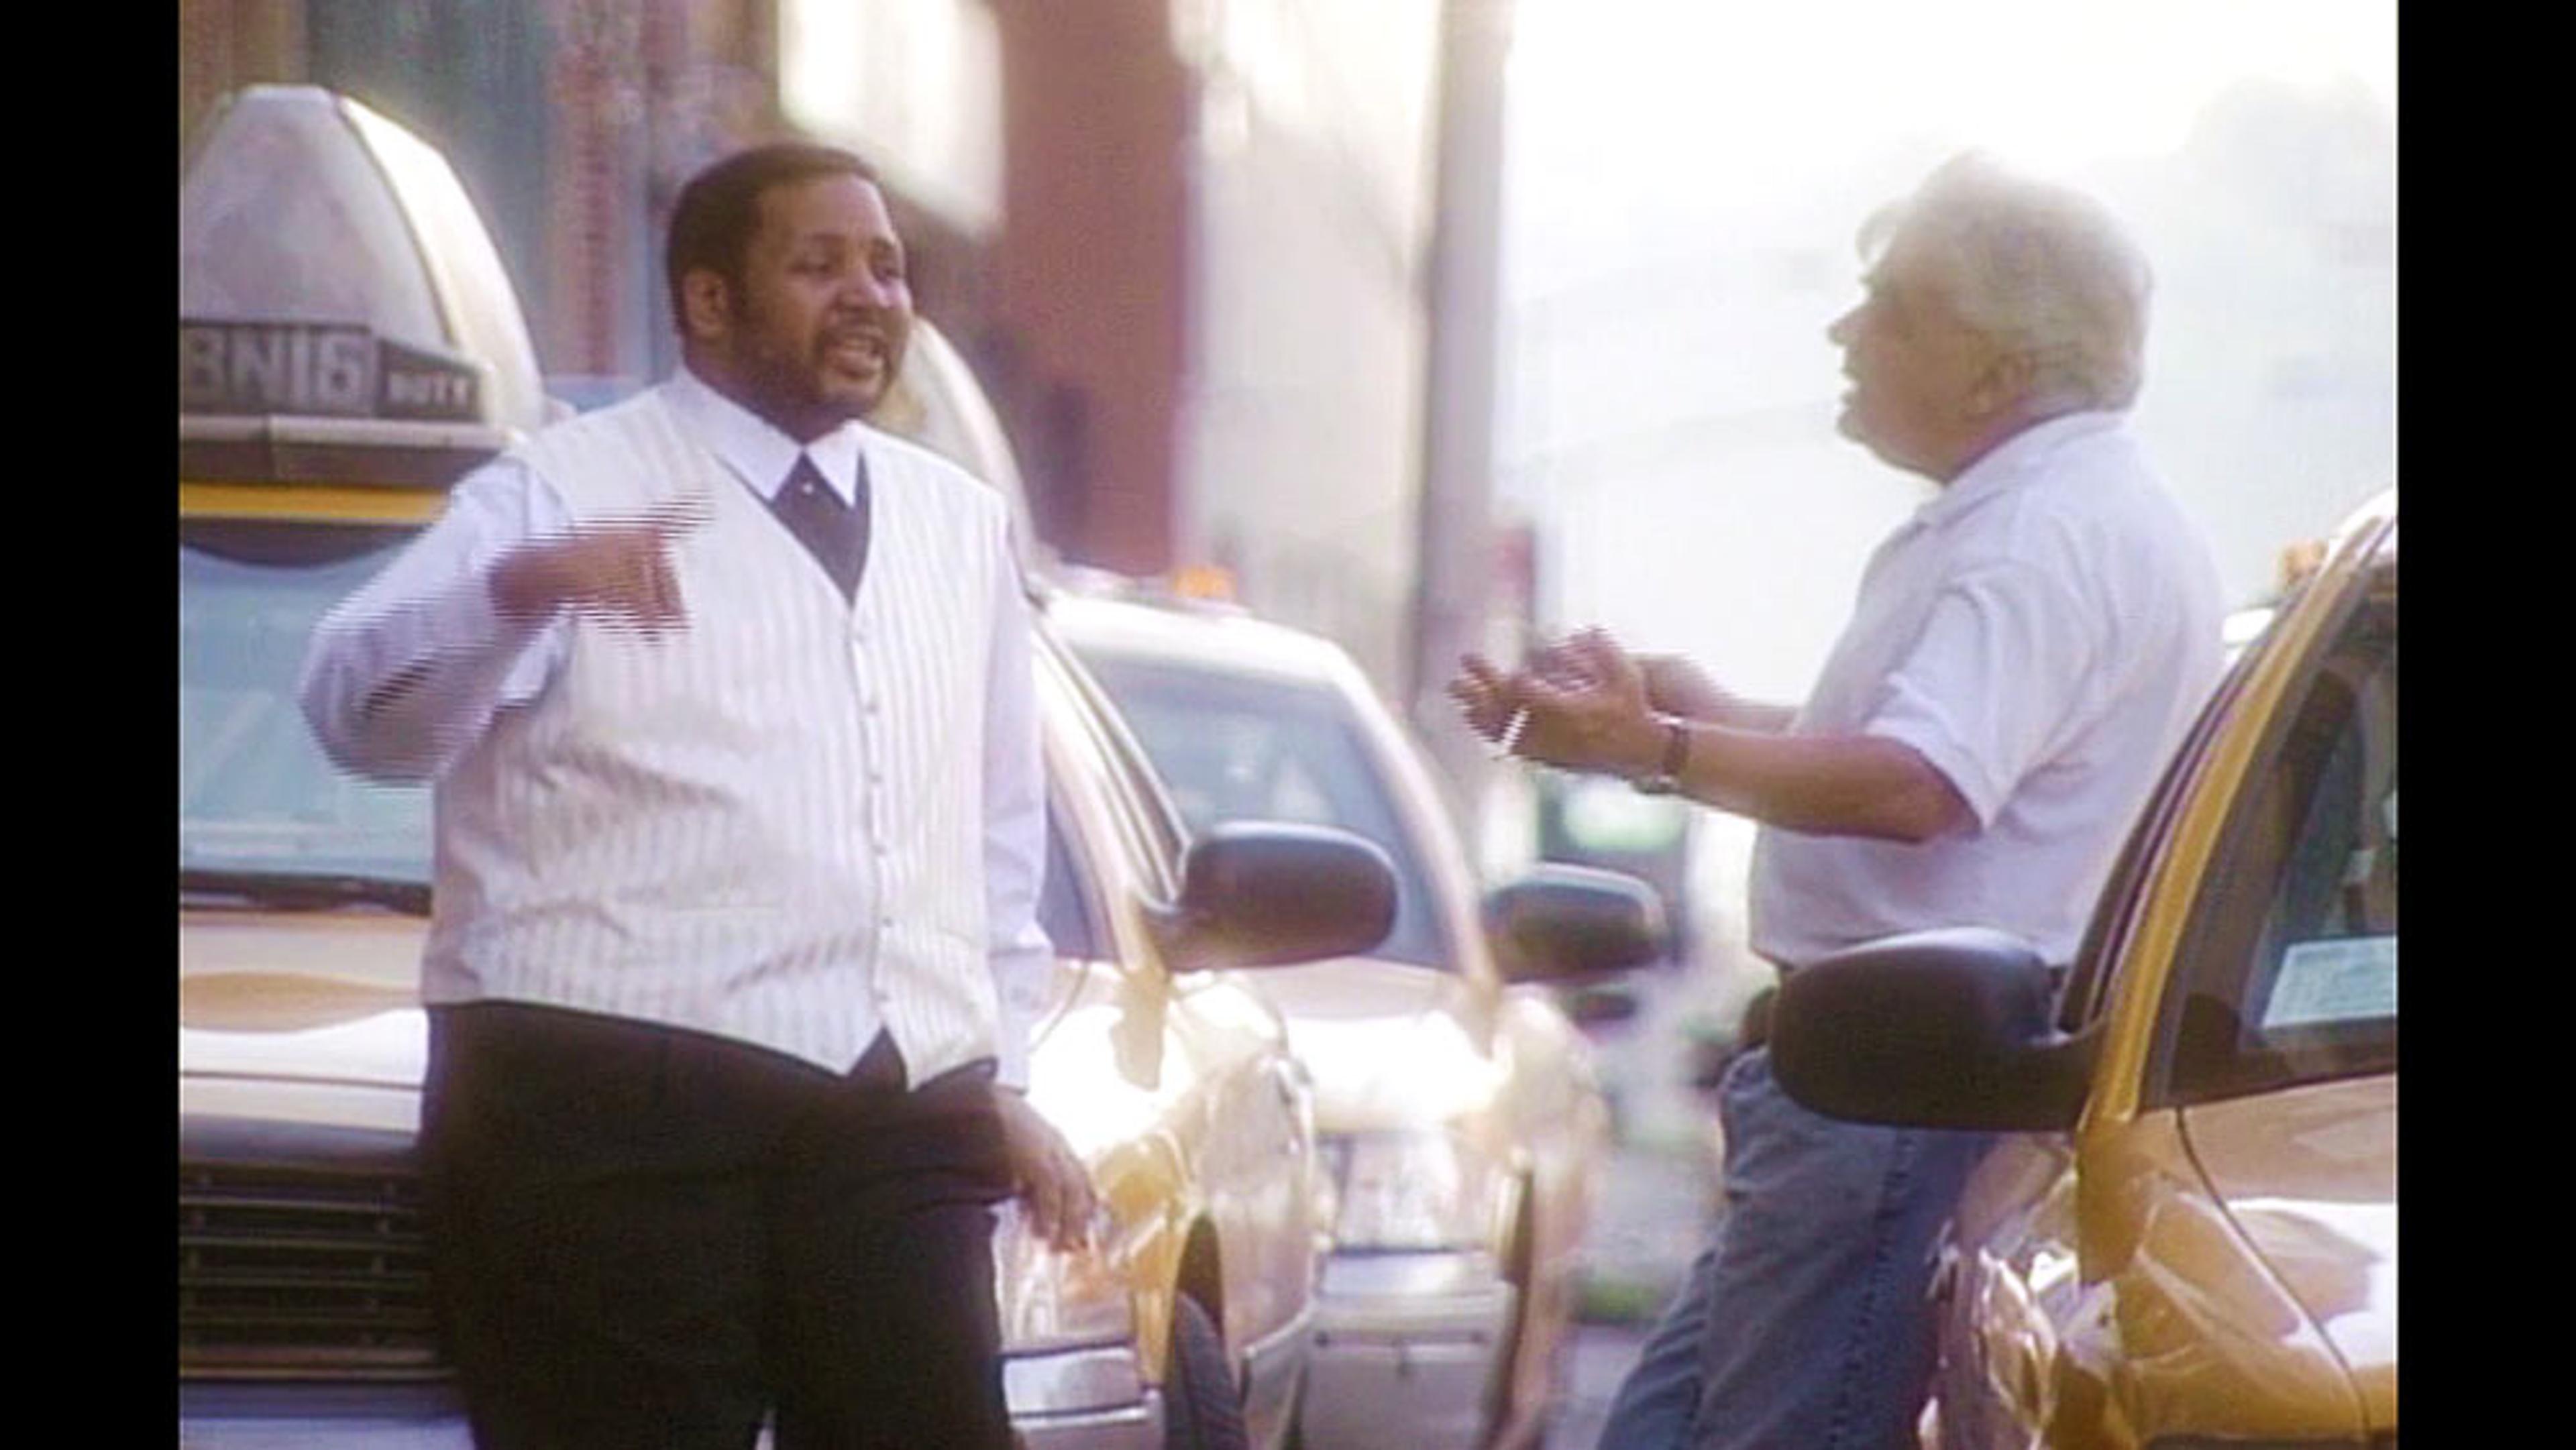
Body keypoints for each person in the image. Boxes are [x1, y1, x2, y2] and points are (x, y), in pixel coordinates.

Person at [301, 142, 1096, 1450]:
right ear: (710, 301)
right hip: (610, 1106)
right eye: (820, 264)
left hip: (894, 1106)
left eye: (888, 267)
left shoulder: (958, 522)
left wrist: (996, 1071)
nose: (870, 295)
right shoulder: (560, 489)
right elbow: (355, 711)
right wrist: (518, 588)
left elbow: (994, 839)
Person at [1451, 153, 2222, 1450]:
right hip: (1867, 1084)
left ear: (1998, 369)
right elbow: (1924, 757)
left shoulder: (2037, 537)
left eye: (1895, 309)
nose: (1846, 333)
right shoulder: (2044, 516)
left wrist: (1662, 747)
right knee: (1665, 1428)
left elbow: (1918, 785)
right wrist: (1686, 719)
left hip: (1895, 1091)